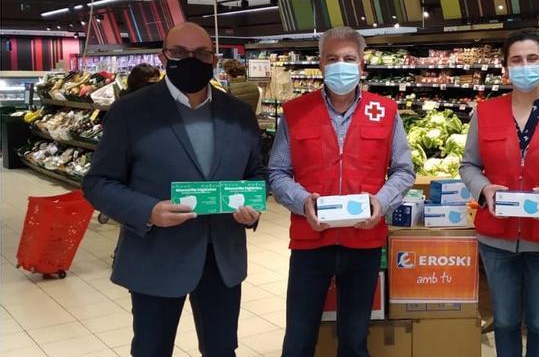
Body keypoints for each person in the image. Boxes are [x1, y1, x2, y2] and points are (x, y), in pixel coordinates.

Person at [83, 22, 266, 357]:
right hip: (157, 256)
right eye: (180, 53)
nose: (191, 60)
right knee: (152, 349)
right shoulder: (131, 111)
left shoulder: (238, 114)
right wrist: (147, 211)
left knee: (222, 349)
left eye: (201, 53)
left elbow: (255, 173)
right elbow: (98, 183)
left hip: (222, 258)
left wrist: (253, 208)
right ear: (163, 56)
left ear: (213, 58)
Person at [268, 26, 415, 357]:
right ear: (320, 64)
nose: (341, 65)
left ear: (362, 65)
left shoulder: (386, 111)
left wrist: (381, 202)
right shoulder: (296, 112)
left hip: (363, 240)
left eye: (349, 58)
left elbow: (404, 170)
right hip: (310, 239)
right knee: (298, 339)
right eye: (332, 58)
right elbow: (277, 172)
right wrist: (303, 201)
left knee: (354, 339)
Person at [460, 28, 539, 357]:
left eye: (532, 59)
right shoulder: (484, 113)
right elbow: (468, 165)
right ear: (505, 68)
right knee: (504, 320)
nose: (524, 66)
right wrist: (484, 189)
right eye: (516, 60)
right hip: (497, 239)